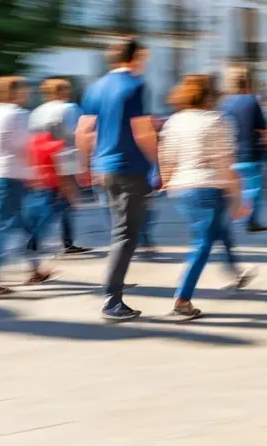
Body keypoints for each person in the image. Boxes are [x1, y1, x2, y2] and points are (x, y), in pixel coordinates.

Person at [159, 75, 254, 321]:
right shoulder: (218, 120)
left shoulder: (174, 120)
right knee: (203, 243)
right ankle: (182, 300)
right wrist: (238, 196)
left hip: (182, 187)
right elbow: (225, 163)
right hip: (208, 187)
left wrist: (167, 181)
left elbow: (166, 157)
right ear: (212, 96)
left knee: (217, 229)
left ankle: (235, 271)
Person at [77, 37, 158, 322]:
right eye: (144, 55)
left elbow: (84, 131)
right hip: (130, 168)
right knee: (125, 235)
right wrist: (157, 163)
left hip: (105, 169)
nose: (145, 61)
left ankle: (113, 292)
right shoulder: (136, 85)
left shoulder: (96, 87)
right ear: (135, 57)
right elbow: (143, 131)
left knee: (121, 232)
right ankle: (112, 300)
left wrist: (86, 165)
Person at [0, 76, 52, 297]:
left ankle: (34, 268)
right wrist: (36, 173)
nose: (27, 93)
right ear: (13, 92)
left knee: (21, 224)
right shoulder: (18, 114)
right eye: (24, 89)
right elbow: (26, 146)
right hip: (9, 176)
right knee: (0, 226)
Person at [28, 78, 90, 254]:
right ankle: (60, 240)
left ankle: (46, 238)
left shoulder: (37, 111)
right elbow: (76, 133)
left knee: (48, 197)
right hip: (66, 155)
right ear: (63, 91)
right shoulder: (70, 108)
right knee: (65, 200)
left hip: (42, 157)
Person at [219, 67, 267, 233]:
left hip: (230, 154)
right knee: (253, 189)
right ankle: (251, 220)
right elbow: (262, 128)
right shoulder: (251, 101)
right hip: (250, 152)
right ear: (248, 83)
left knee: (233, 189)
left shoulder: (223, 104)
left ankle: (231, 218)